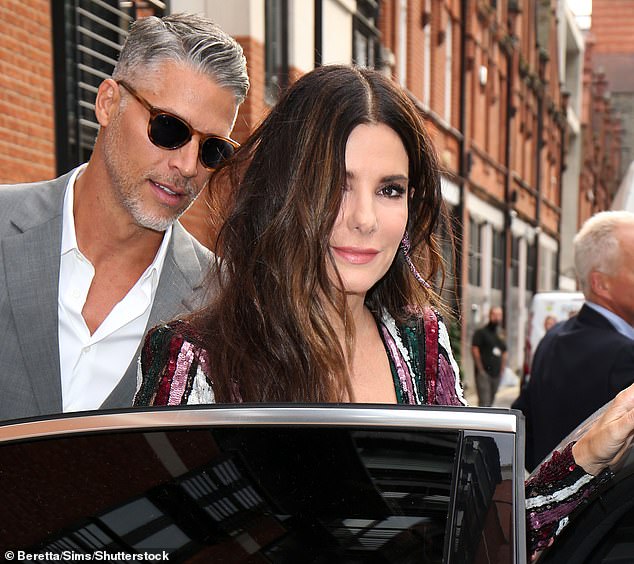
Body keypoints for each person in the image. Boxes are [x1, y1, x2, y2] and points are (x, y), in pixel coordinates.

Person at [133, 65, 634, 557]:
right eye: (337, 184)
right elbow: (158, 542)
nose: (366, 219)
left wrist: (587, 453)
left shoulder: (424, 347)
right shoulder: (194, 357)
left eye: (389, 190)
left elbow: (484, 540)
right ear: (284, 192)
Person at [0, 13, 249, 420]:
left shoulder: (226, 304)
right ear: (108, 102)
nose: (188, 166)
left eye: (212, 150)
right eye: (169, 129)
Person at [513, 210, 634, 471]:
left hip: (550, 504)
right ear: (600, 284)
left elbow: (523, 430)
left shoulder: (553, 337)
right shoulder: (625, 354)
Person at [471, 306, 507, 406]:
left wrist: (502, 369)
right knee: (484, 403)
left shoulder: (500, 334)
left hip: (496, 374)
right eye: (494, 314)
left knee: (491, 402)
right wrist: (480, 369)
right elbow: (475, 349)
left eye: (499, 315)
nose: (497, 317)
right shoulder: (481, 333)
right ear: (490, 315)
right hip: (484, 373)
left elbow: (504, 351)